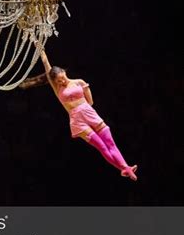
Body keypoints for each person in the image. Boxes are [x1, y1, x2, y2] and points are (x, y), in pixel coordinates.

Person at [20, 46, 138, 180]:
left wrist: (85, 104)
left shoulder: (79, 82)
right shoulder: (57, 88)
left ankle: (125, 167)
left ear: (64, 72)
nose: (62, 81)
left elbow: (91, 102)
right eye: (59, 81)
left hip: (89, 113)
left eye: (62, 78)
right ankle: (123, 168)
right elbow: (47, 65)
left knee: (110, 143)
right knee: (102, 147)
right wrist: (40, 49)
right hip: (77, 120)